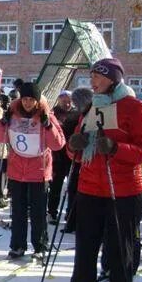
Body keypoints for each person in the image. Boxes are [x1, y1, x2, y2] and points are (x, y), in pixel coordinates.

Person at [64, 58, 142, 282]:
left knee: (119, 249)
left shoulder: (134, 108)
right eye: (91, 77)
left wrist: (117, 149)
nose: (92, 82)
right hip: (90, 187)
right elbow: (76, 154)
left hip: (124, 189)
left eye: (98, 77)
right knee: (85, 248)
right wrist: (75, 145)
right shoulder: (93, 107)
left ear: (114, 80)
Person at [0, 82, 65, 261]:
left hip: (38, 171)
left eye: (31, 99)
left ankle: (40, 245)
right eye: (24, 98)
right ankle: (17, 245)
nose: (27, 103)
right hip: (17, 170)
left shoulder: (46, 115)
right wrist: (3, 122)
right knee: (17, 211)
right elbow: (0, 139)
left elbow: (58, 144)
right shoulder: (13, 114)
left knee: (38, 212)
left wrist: (48, 125)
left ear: (37, 100)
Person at [61, 87, 92, 233]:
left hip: (86, 160)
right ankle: (71, 219)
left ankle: (76, 221)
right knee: (73, 189)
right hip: (76, 158)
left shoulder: (87, 115)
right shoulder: (78, 116)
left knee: (79, 192)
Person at [47, 90, 74, 224]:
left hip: (72, 155)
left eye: (69, 101)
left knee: (72, 186)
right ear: (59, 100)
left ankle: (70, 214)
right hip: (57, 156)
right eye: (65, 101)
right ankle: (52, 212)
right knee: (56, 186)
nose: (67, 104)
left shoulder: (76, 114)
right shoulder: (53, 114)